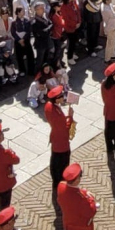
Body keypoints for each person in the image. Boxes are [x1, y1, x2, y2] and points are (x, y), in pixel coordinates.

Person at [57, 163, 98, 230]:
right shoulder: (82, 199)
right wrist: (90, 197)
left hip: (68, 228)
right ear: (76, 180)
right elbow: (91, 211)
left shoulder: (61, 186)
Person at [45, 85, 73, 215]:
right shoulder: (57, 114)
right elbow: (64, 128)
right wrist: (70, 117)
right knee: (62, 164)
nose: (63, 98)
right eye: (61, 96)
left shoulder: (49, 107)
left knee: (55, 162)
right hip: (61, 143)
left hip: (56, 140)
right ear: (56, 100)